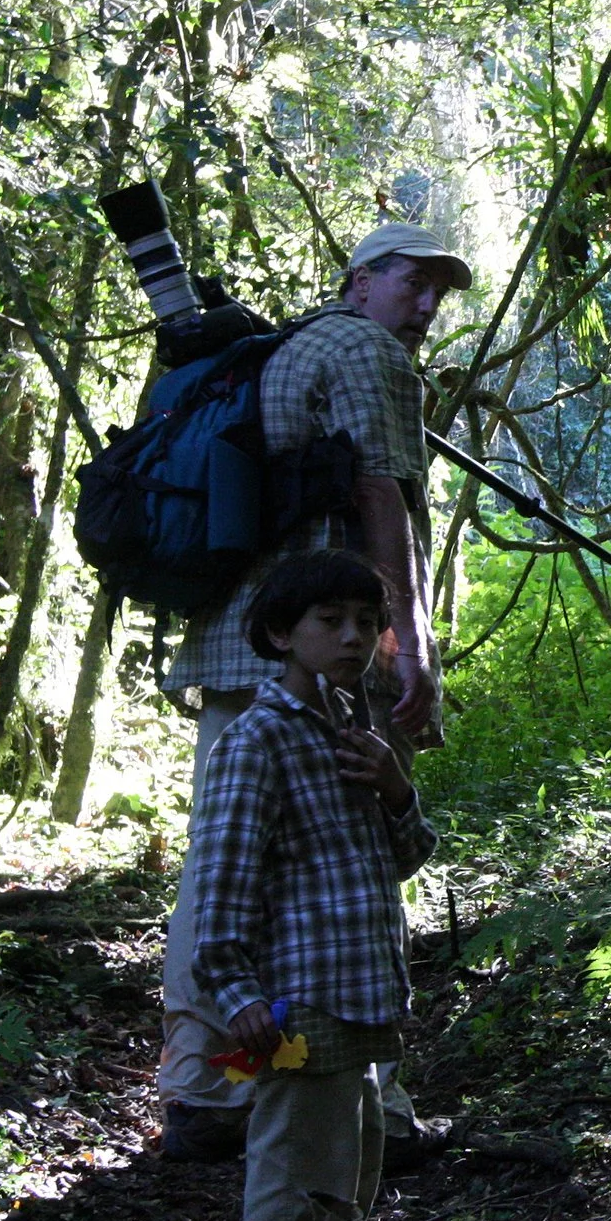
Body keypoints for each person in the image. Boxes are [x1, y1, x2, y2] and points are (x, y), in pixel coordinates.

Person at [157, 220, 469, 1164]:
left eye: (437, 294)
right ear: (362, 281)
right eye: (413, 283)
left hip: (233, 646)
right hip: (326, 657)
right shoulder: (368, 350)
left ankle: (209, 1090)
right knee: (349, 864)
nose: (424, 308)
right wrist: (403, 645)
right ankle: (374, 1102)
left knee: (221, 872)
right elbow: (383, 498)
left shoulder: (278, 350)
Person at [180, 548, 438, 1221]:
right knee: (293, 1179)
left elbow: (406, 858)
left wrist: (395, 788)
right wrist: (235, 992)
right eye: (331, 621)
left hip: (366, 996)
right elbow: (222, 878)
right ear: (282, 634)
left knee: (349, 1177)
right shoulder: (256, 741)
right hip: (300, 1003)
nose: (353, 637)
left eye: (366, 622)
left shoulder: (359, 731)